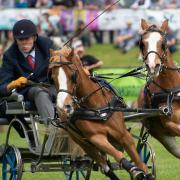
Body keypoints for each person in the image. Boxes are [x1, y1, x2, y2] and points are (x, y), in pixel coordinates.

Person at [0, 19, 56, 125]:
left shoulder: (47, 45)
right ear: (15, 40)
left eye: (27, 38)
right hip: (28, 91)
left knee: (68, 91)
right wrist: (13, 84)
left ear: (34, 38)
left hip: (50, 85)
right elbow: (2, 86)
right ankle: (51, 129)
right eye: (20, 39)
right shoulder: (9, 56)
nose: (24, 43)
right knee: (41, 93)